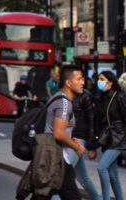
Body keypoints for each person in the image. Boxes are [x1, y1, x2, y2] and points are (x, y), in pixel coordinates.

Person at [40, 65, 86, 200]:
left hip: (53, 156)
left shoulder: (58, 98)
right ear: (68, 82)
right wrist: (76, 146)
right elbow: (58, 134)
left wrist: (71, 140)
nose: (83, 82)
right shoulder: (64, 102)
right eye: (79, 79)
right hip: (56, 158)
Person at [92, 71, 126, 200]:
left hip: (118, 138)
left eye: (102, 79)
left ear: (110, 82)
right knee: (113, 175)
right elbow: (99, 122)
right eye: (99, 79)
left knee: (101, 167)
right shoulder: (102, 97)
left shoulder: (119, 97)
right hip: (108, 139)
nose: (99, 82)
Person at [69, 89, 102, 200]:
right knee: (82, 176)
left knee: (63, 174)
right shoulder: (64, 95)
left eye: (81, 78)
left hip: (78, 138)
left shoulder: (85, 96)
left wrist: (92, 146)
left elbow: (92, 121)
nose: (82, 82)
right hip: (69, 138)